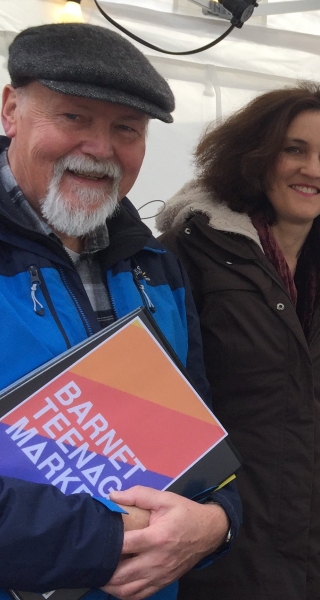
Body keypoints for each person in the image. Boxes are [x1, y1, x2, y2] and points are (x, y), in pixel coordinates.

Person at [0, 23, 240, 600]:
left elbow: (204, 433)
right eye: (74, 117)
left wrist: (219, 523)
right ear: (10, 110)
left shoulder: (157, 265)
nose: (101, 149)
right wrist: (109, 539)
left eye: (126, 129)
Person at [156, 83, 320, 599]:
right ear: (257, 156)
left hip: (316, 547)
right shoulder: (187, 255)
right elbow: (157, 408)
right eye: (294, 149)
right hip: (220, 545)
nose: (314, 169)